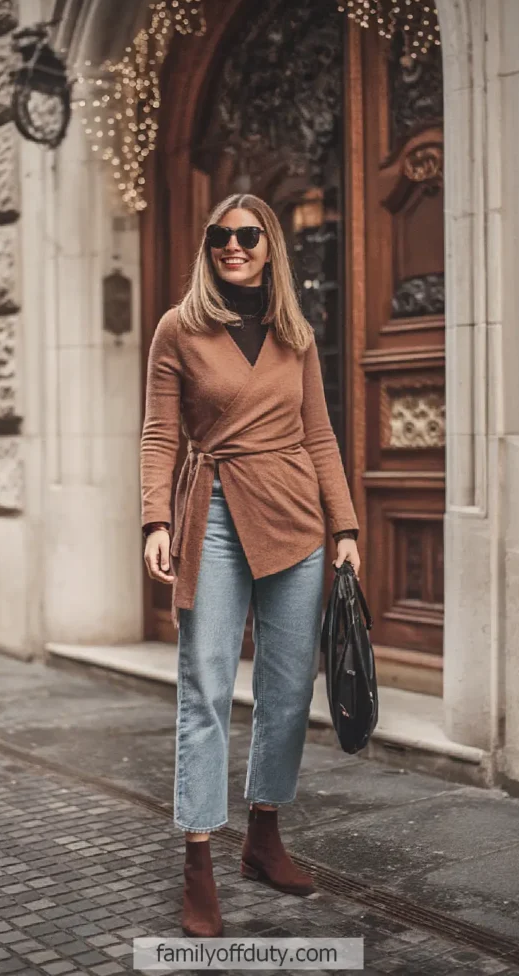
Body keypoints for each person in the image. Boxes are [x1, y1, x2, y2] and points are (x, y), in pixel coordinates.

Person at [140, 193, 360, 937]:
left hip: (296, 521)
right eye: (220, 236)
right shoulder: (179, 327)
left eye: (248, 236)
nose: (233, 245)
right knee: (204, 687)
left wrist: (347, 526)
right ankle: (199, 858)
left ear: (271, 249)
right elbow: (157, 436)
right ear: (206, 246)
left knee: (288, 688)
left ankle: (263, 835)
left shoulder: (294, 333)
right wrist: (155, 520)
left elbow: (320, 435)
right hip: (214, 517)